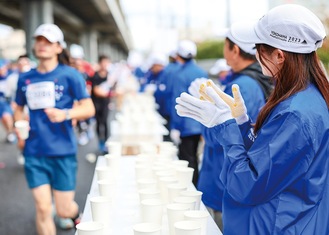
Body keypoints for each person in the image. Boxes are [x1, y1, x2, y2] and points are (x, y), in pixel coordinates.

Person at [175, 4, 329, 234]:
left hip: (279, 226)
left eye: (259, 48)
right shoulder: (302, 98)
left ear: (279, 55)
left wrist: (226, 129)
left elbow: (247, 184)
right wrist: (242, 124)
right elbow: (269, 160)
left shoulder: (295, 114)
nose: (256, 54)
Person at [14, 23, 95, 235]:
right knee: (42, 208)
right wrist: (19, 129)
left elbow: (88, 108)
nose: (42, 45)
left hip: (62, 152)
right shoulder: (25, 78)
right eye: (39, 40)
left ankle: (73, 214)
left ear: (59, 48)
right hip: (34, 152)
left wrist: (66, 114)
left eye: (48, 42)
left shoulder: (70, 75)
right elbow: (18, 108)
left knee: (63, 209)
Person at [170, 39, 208, 186]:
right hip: (201, 122)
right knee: (196, 157)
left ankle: (190, 189)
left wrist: (175, 126)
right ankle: (196, 186)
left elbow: (178, 102)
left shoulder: (180, 74)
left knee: (187, 159)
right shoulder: (202, 72)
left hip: (186, 124)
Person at [88, 55, 113, 154]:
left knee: (105, 122)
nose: (105, 64)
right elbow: (95, 90)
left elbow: (113, 88)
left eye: (107, 62)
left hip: (105, 103)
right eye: (104, 62)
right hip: (96, 103)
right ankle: (100, 142)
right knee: (98, 123)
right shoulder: (94, 76)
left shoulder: (110, 76)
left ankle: (107, 143)